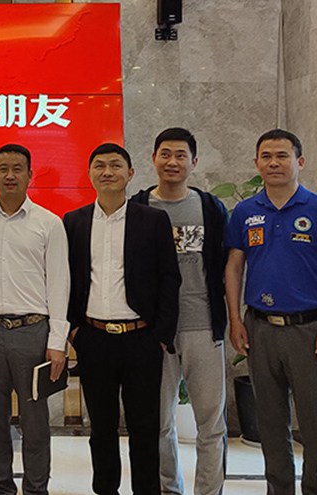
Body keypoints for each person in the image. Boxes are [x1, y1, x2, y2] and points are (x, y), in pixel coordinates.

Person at [225, 129, 317, 495]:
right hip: (260, 328)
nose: (274, 163)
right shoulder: (246, 212)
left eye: (282, 155)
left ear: (300, 161)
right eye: (266, 156)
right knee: (270, 423)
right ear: (256, 163)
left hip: (309, 330)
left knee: (315, 423)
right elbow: (234, 267)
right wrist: (235, 320)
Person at [64, 143, 180, 495]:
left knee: (145, 429)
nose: (107, 172)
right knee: (101, 428)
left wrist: (162, 335)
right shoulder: (74, 221)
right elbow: (67, 279)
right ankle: (105, 490)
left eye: (115, 165)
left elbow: (169, 278)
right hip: (94, 337)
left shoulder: (153, 220)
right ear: (89, 174)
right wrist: (74, 329)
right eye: (99, 165)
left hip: (141, 338)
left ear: (130, 174)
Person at [0, 143, 70, 495]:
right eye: (3, 169)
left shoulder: (49, 223)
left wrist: (57, 342)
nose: (10, 175)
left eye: (17, 168)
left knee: (35, 423)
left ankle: (36, 489)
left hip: (33, 332)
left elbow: (59, 284)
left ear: (29, 175)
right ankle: (2, 488)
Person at [129, 128, 228, 495]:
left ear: (193, 162)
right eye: (166, 154)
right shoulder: (137, 207)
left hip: (203, 325)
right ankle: (169, 488)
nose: (172, 162)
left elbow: (227, 266)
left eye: (181, 155)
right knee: (158, 423)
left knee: (211, 424)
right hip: (154, 331)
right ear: (153, 159)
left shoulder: (211, 208)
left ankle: (209, 491)